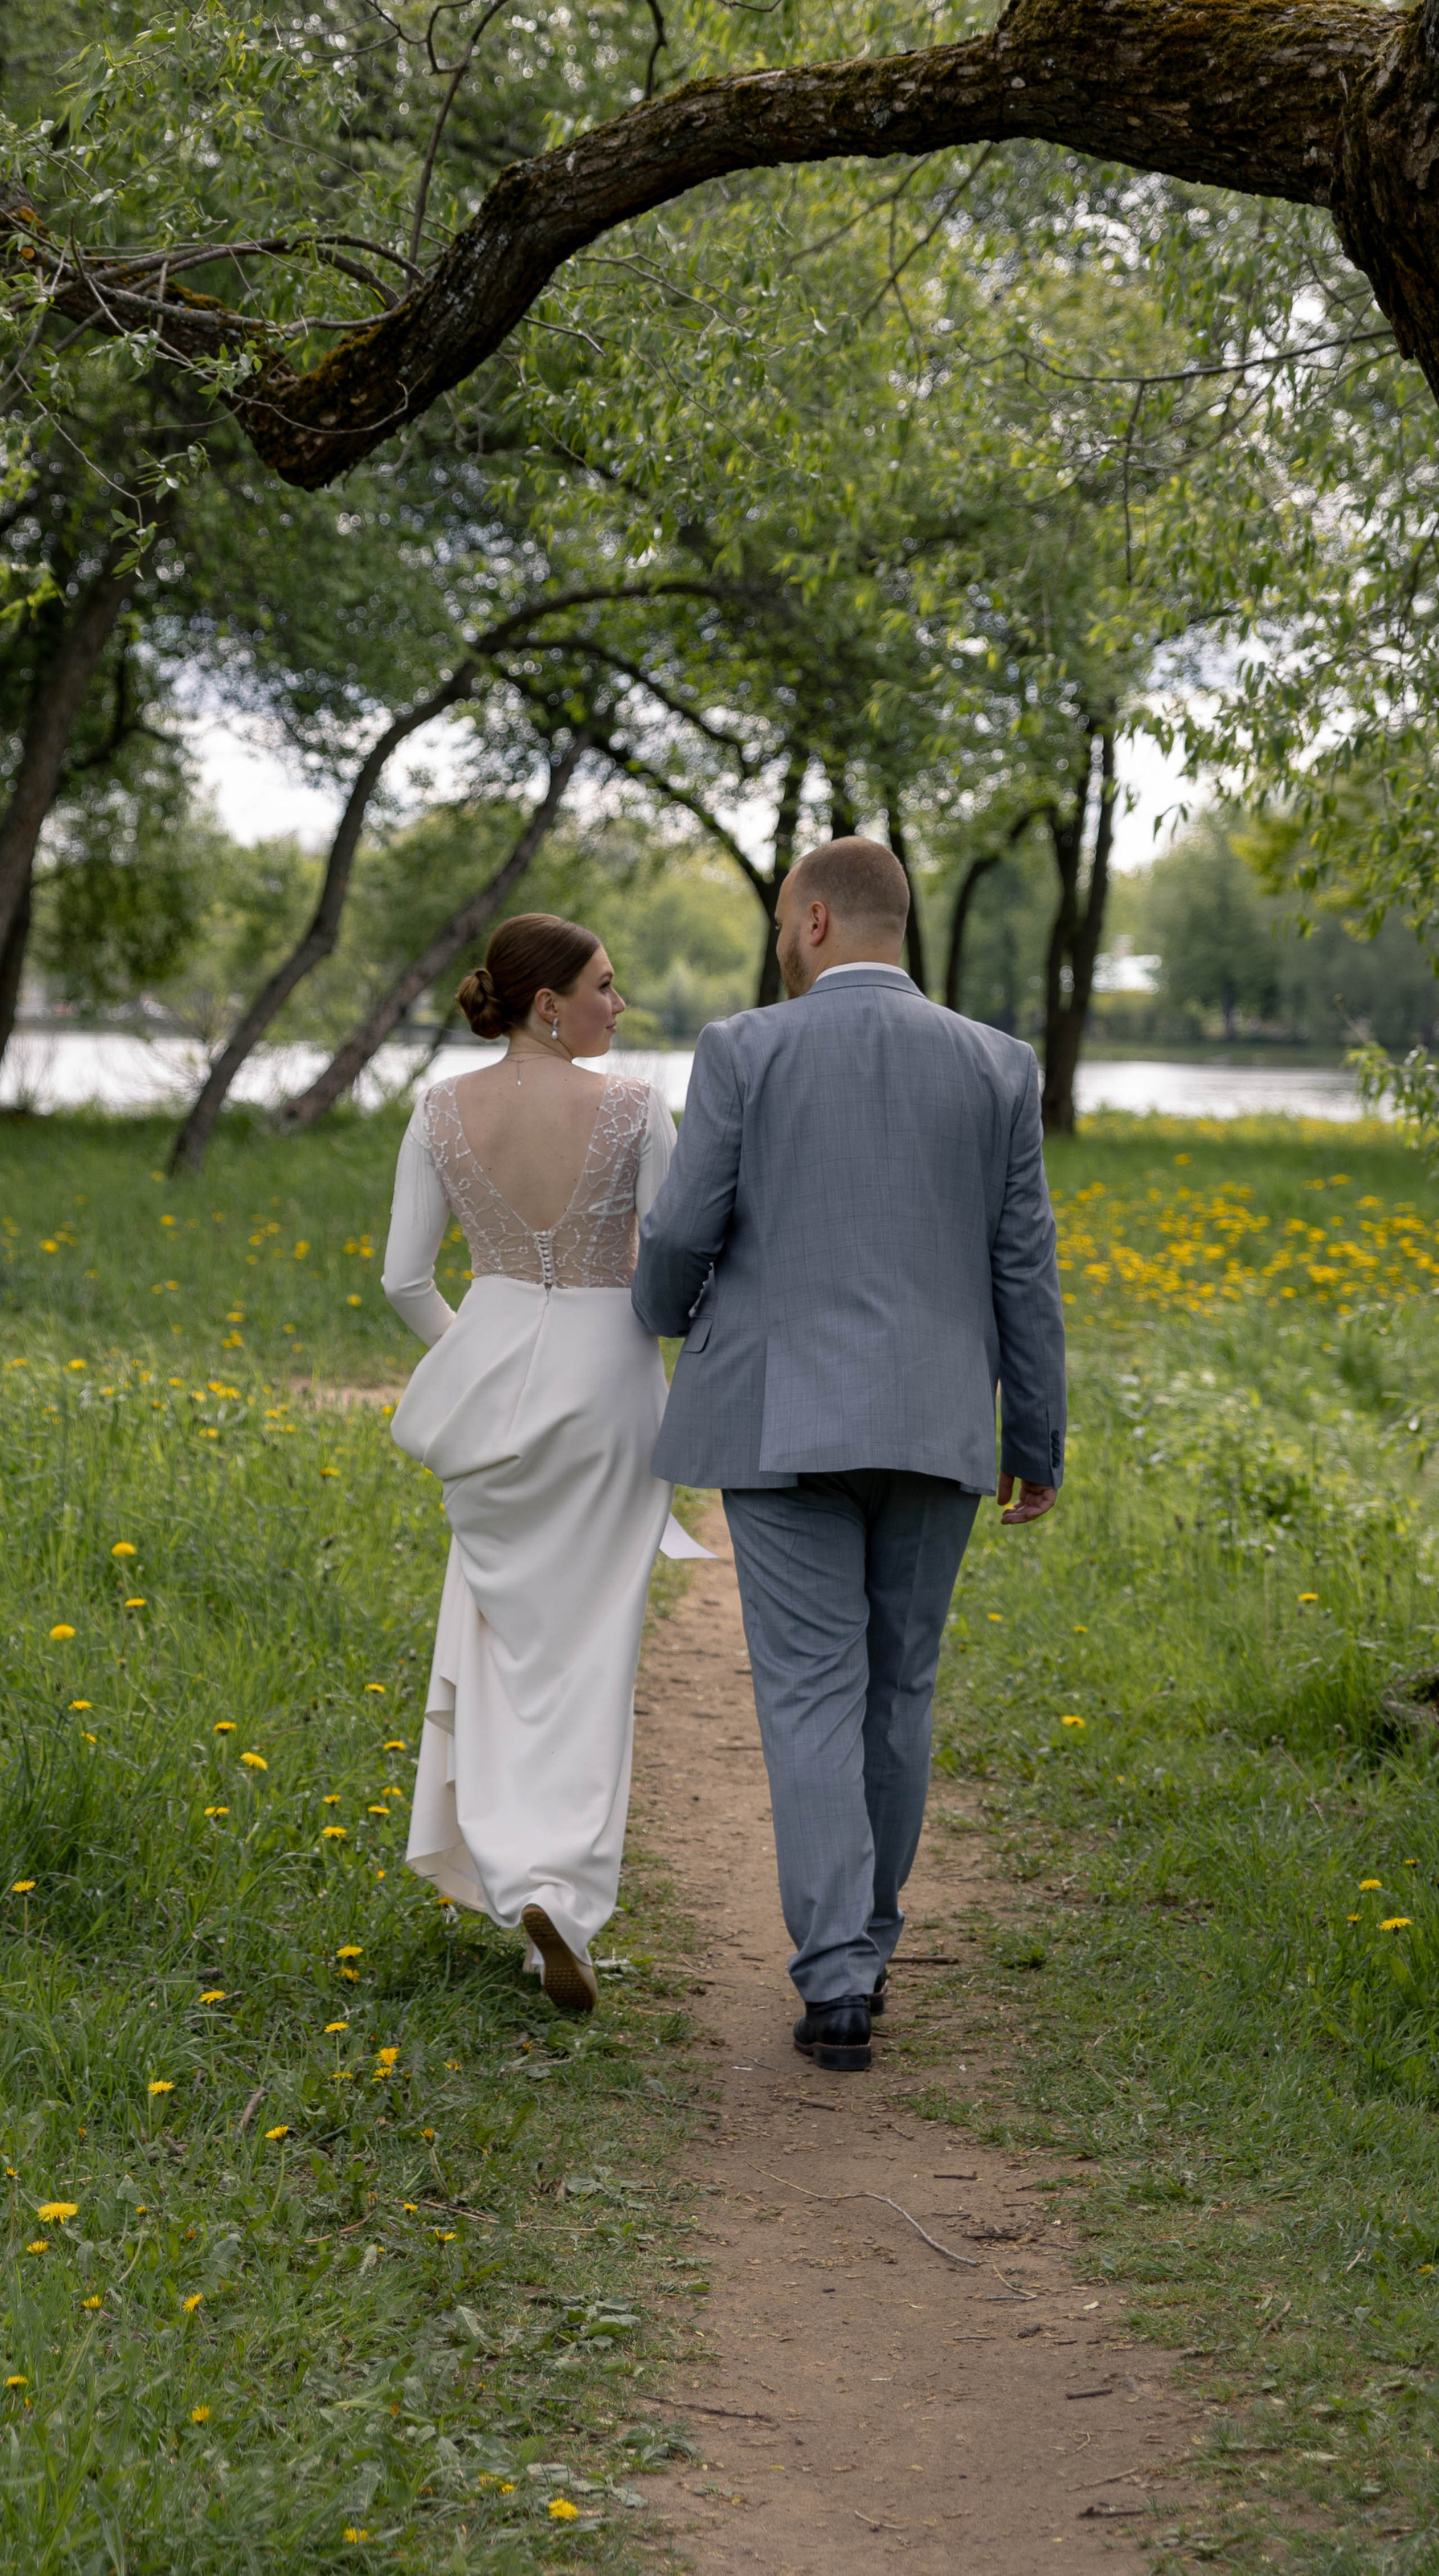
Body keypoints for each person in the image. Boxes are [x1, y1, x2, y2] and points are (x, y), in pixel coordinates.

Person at [632, 835, 1066, 2072]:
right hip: (935, 1425)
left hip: (778, 1418)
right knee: (900, 1688)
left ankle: (836, 1984)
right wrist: (1031, 1436)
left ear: (814, 922)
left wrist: (669, 1313)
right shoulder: (999, 1065)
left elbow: (681, 1233)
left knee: (811, 1690)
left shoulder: (744, 1049)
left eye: (783, 920)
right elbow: (1022, 1269)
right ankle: (868, 1946)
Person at [381, 912, 686, 2016]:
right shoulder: (638, 1110)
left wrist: (482, 1351)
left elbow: (403, 1281)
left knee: (504, 1633)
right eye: (605, 985)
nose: (619, 1002)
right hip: (608, 1385)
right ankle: (563, 1896)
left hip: (491, 1380)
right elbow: (682, 1267)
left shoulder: (438, 1114)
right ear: (548, 1006)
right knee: (592, 1647)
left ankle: (518, 1878)